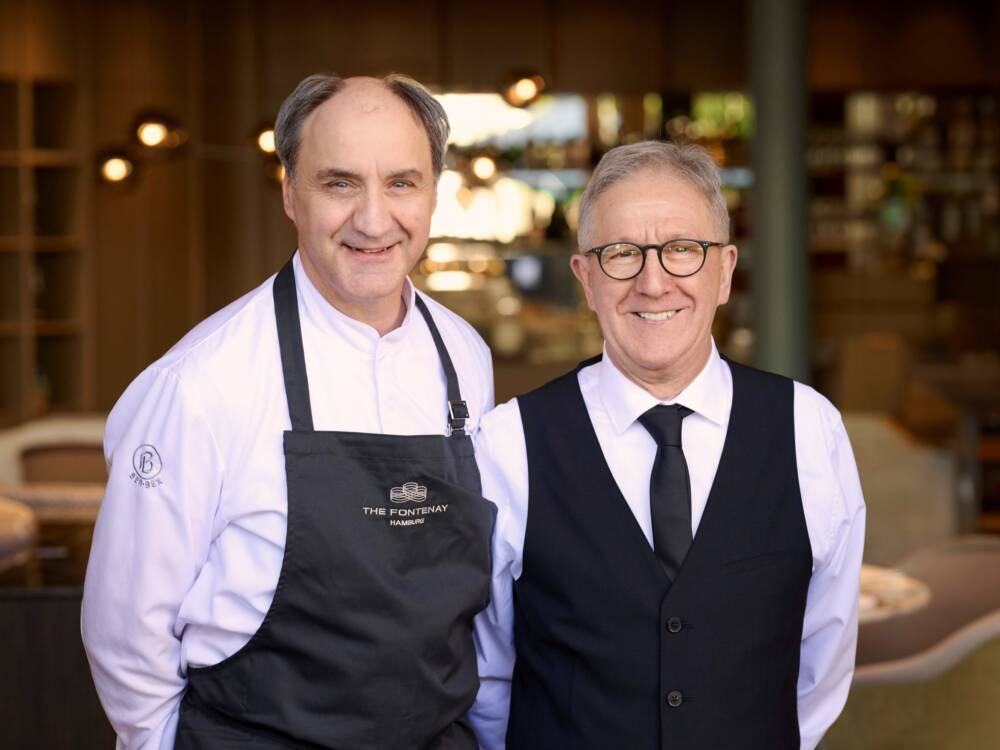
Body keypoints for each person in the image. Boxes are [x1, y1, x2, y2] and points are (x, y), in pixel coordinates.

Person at [82, 73, 497, 750]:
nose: (372, 218)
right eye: (339, 183)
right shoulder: (200, 382)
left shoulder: (464, 358)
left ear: (433, 194)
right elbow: (126, 629)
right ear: (289, 194)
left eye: (401, 182)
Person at [469, 141, 866, 749]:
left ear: (726, 270)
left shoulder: (810, 431)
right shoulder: (508, 443)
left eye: (683, 250)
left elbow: (821, 664)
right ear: (586, 279)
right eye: (622, 254)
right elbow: (489, 675)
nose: (654, 283)